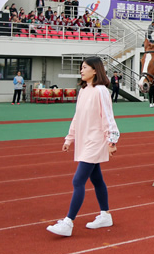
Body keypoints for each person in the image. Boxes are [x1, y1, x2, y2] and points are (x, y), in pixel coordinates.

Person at [47, 56, 120, 236]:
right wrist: (69, 138)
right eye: (81, 67)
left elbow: (107, 116)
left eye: (85, 67)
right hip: (84, 140)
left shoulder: (101, 90)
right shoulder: (84, 91)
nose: (81, 70)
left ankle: (68, 222)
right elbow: (77, 117)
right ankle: (105, 215)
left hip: (96, 141)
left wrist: (112, 140)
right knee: (96, 179)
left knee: (78, 180)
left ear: (95, 70)